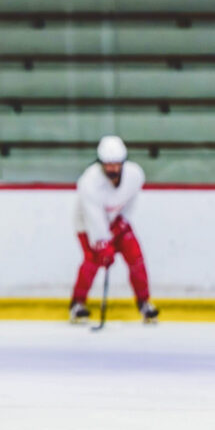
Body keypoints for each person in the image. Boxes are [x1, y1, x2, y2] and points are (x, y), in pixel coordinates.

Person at [69, 135, 159, 324]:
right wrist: (102, 243)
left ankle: (144, 303)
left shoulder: (135, 175)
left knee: (136, 259)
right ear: (101, 163)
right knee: (92, 261)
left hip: (116, 220)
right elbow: (93, 216)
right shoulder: (89, 182)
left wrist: (123, 221)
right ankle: (77, 304)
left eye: (117, 164)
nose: (113, 169)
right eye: (108, 165)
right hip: (87, 224)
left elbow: (130, 200)